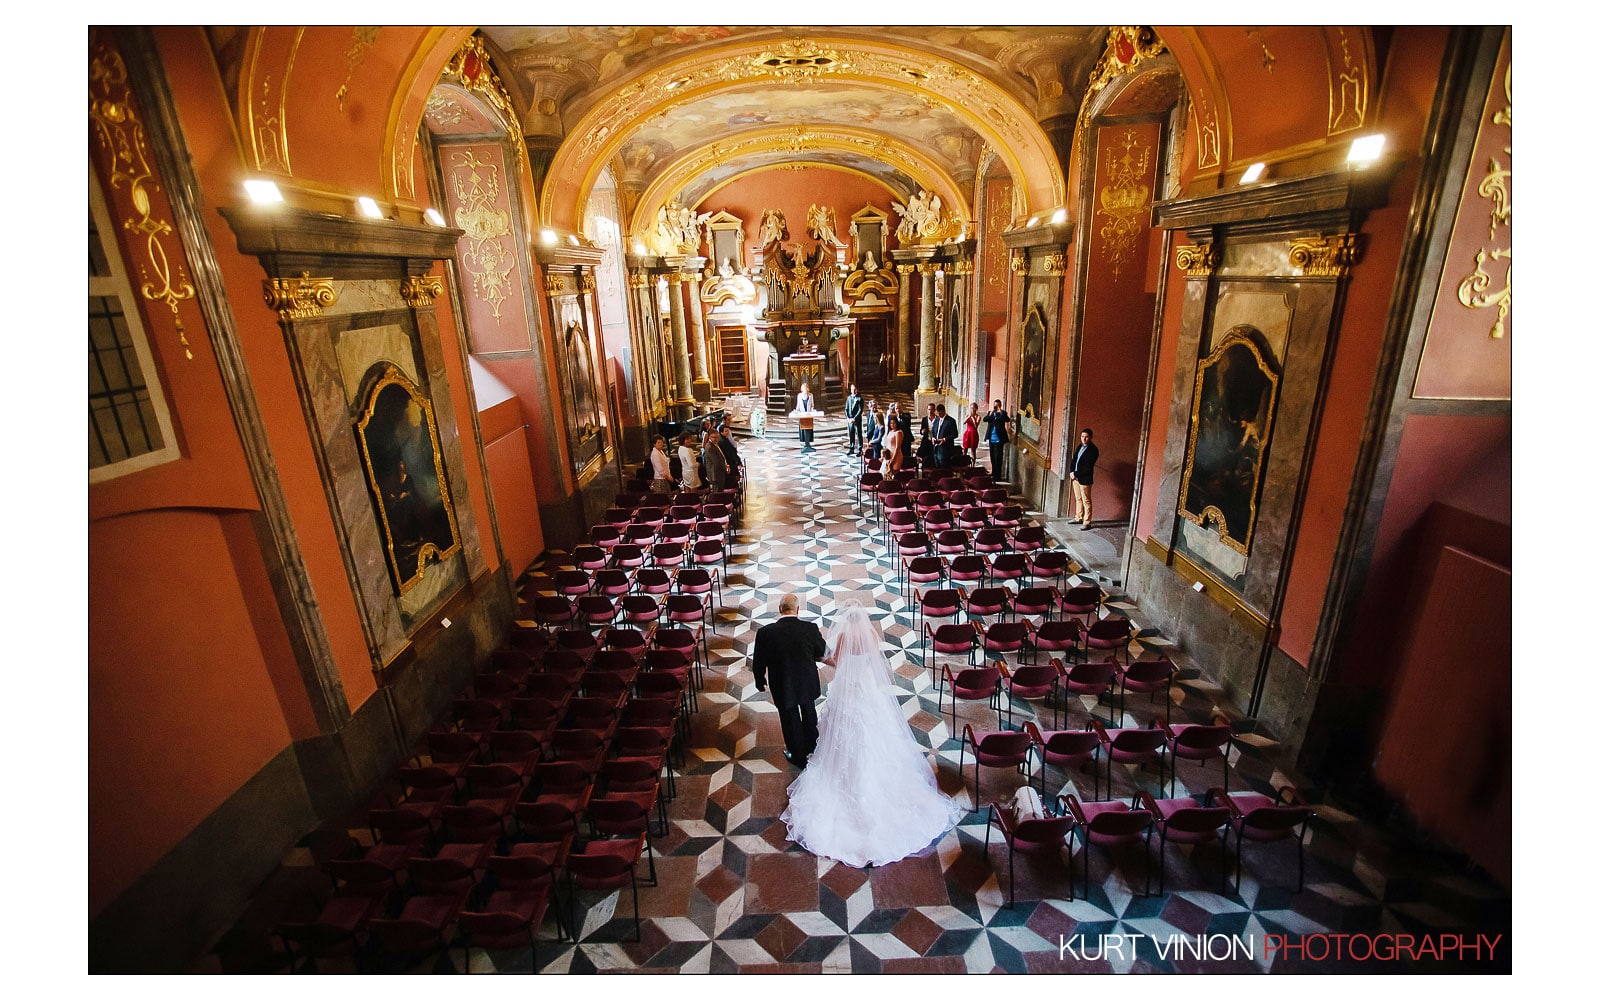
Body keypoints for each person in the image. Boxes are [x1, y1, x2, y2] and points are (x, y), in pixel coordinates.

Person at [780, 602, 964, 867]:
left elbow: (837, 661)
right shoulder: (871, 636)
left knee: (841, 734)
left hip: (848, 690)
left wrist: (821, 659)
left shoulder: (843, 637)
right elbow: (874, 662)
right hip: (866, 688)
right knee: (875, 732)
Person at [751, 593, 827, 769]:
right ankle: (812, 745)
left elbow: (759, 661)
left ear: (779, 609)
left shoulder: (765, 633)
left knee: (789, 718)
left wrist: (759, 680)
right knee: (809, 712)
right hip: (806, 681)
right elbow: (822, 651)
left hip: (783, 684)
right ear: (798, 610)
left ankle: (797, 755)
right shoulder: (810, 628)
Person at [1069, 427, 1099, 528]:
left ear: (1090, 438)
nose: (1084, 439)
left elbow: (1087, 467)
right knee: (1078, 498)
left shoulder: (1093, 450)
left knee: (1086, 500)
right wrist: (1071, 472)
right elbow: (1074, 460)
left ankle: (1087, 522)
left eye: (1086, 437)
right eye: (1082, 436)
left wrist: (1076, 474)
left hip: (1085, 479)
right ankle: (1078, 517)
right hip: (1075, 477)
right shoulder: (1080, 446)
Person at [980, 400, 1012, 481]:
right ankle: (993, 473)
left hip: (999, 438)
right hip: (991, 438)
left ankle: (998, 475)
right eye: (995, 406)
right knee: (992, 456)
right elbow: (985, 419)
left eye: (997, 406)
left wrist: (1000, 412)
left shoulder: (1003, 413)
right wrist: (990, 414)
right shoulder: (991, 413)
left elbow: (1007, 420)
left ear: (1000, 406)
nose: (995, 407)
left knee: (998, 457)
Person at [931, 403, 958, 470]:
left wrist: (944, 439)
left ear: (943, 411)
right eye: (938, 413)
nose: (939, 415)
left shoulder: (951, 421)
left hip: (945, 448)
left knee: (944, 468)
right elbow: (933, 431)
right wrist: (933, 437)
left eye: (940, 413)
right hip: (936, 447)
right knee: (937, 466)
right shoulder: (936, 420)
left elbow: (955, 434)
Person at [794, 381, 817, 451]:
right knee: (803, 429)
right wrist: (796, 410)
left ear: (808, 389)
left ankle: (808, 444)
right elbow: (798, 406)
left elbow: (812, 405)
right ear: (802, 389)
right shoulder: (799, 396)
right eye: (804, 389)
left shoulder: (811, 395)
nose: (805, 390)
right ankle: (805, 444)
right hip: (802, 416)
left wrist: (813, 410)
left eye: (806, 388)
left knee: (809, 429)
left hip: (808, 415)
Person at [844, 383, 864, 456]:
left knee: (859, 434)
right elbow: (846, 409)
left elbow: (860, 410)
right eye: (852, 389)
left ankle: (860, 449)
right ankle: (851, 448)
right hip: (850, 420)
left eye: (854, 389)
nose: (853, 391)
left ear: (857, 390)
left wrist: (854, 418)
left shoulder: (860, 398)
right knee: (851, 434)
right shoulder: (849, 398)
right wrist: (848, 418)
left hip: (857, 420)